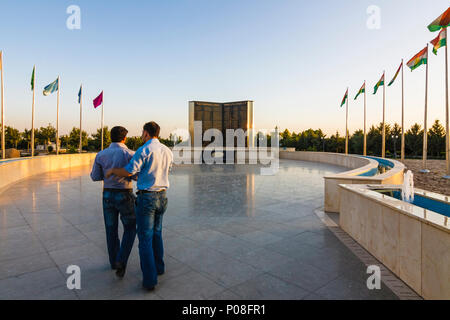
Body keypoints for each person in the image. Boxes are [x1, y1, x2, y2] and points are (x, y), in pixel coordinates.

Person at [106, 121, 173, 291]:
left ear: (146, 133)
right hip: (162, 196)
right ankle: (159, 268)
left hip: (147, 198)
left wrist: (113, 171)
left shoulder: (144, 150)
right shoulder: (167, 151)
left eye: (142, 132)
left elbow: (129, 171)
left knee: (145, 238)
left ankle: (150, 280)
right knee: (157, 233)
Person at [90, 126, 137, 278]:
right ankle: (122, 260)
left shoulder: (101, 154)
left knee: (111, 230)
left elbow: (95, 177)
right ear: (124, 138)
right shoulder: (130, 154)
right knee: (130, 228)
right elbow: (136, 176)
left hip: (108, 195)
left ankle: (113, 261)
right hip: (125, 194)